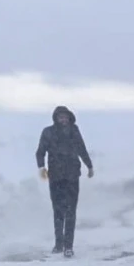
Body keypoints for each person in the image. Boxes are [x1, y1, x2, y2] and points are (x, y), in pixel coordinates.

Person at [35, 105, 94, 257]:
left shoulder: (74, 131)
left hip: (72, 176)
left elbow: (81, 148)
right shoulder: (48, 132)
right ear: (55, 118)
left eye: (65, 117)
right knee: (58, 211)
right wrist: (41, 167)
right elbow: (40, 151)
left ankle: (69, 246)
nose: (63, 119)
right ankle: (58, 244)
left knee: (71, 211)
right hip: (55, 176)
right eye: (60, 117)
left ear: (69, 118)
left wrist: (89, 165)